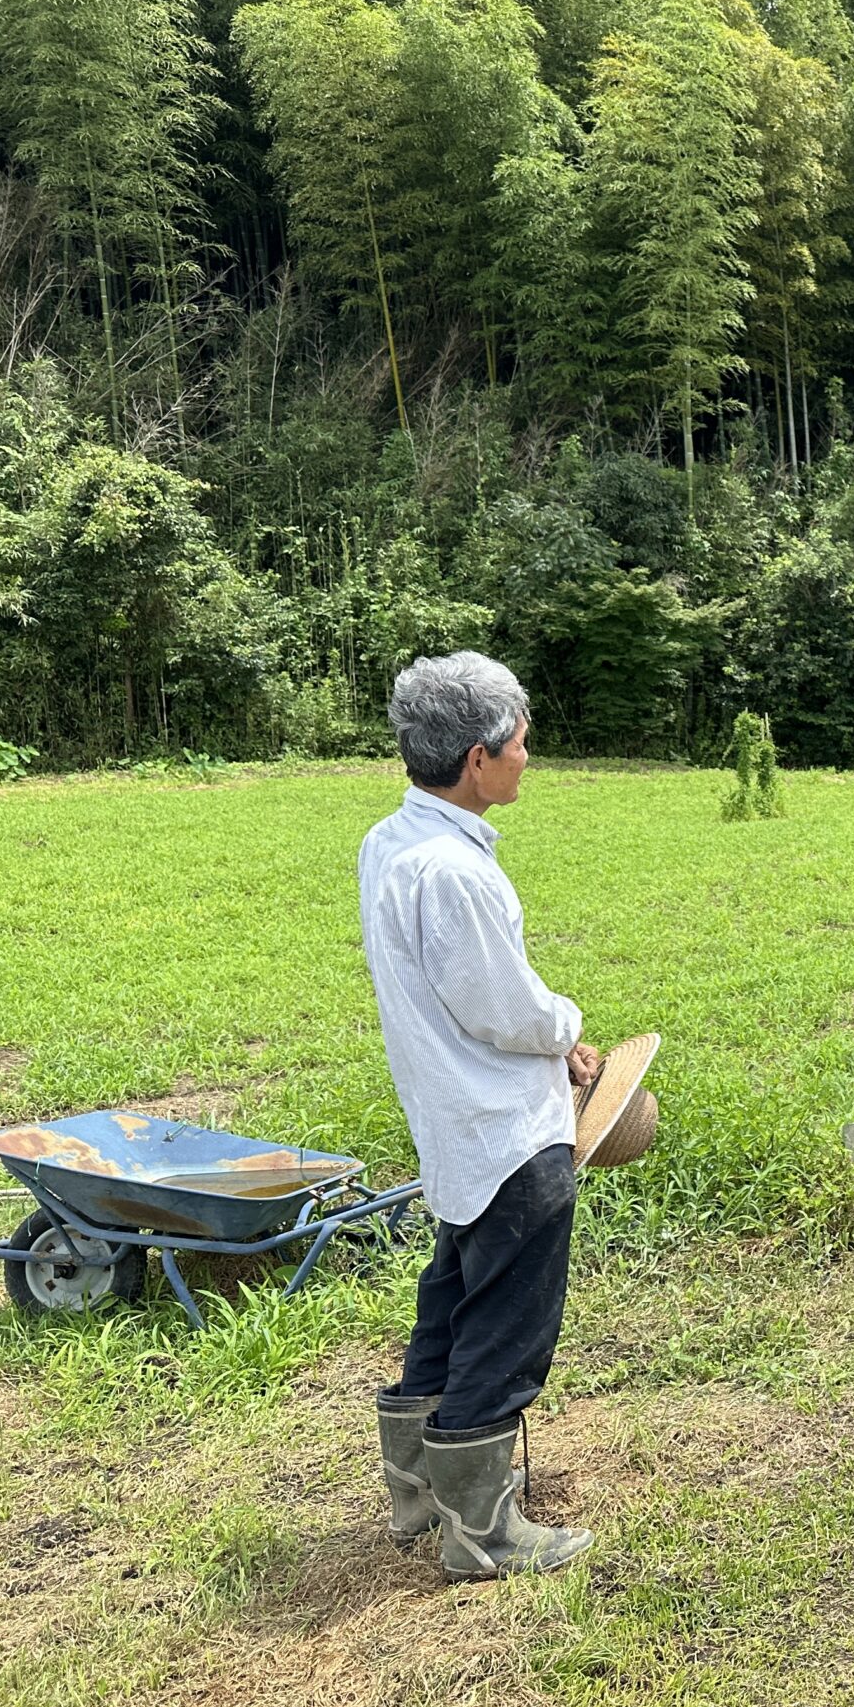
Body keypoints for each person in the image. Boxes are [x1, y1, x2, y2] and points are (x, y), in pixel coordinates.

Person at [359, 652, 596, 1580]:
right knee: (507, 1323)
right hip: (506, 1131)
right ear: (476, 757)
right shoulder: (455, 871)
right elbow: (505, 1009)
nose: (529, 758)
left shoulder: (391, 842)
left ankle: (415, 1494)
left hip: (450, 1118)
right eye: (522, 744)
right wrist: (567, 1027)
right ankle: (484, 1533)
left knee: (452, 1299)